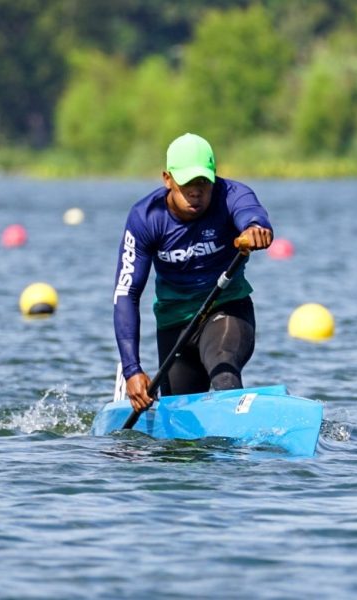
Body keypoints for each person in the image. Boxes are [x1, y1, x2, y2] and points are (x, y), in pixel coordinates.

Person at [113, 133, 274, 412]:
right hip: (175, 323)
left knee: (223, 366)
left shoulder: (232, 196)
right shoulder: (145, 217)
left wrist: (254, 229)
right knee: (179, 422)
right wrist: (132, 370)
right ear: (167, 179)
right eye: (187, 182)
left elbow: (251, 214)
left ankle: (239, 433)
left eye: (203, 182)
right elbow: (127, 294)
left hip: (226, 307)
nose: (196, 191)